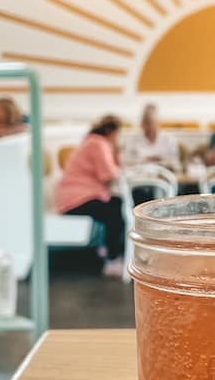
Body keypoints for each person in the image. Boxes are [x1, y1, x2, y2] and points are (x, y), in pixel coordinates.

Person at [55, 115, 125, 278]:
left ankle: (107, 248)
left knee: (117, 204)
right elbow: (108, 174)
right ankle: (112, 259)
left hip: (75, 195)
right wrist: (117, 154)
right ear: (111, 132)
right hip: (76, 198)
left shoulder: (91, 141)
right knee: (115, 212)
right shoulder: (98, 144)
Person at [125, 104, 179, 170]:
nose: (150, 127)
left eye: (152, 123)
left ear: (158, 123)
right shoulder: (133, 138)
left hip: (164, 174)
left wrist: (160, 160)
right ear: (142, 123)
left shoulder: (169, 138)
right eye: (147, 123)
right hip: (139, 175)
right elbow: (127, 161)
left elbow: (175, 161)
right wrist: (144, 160)